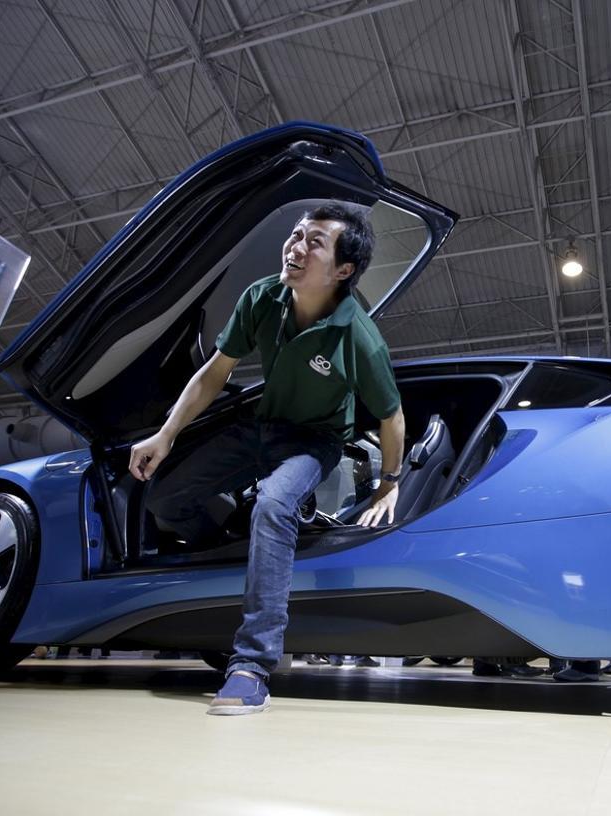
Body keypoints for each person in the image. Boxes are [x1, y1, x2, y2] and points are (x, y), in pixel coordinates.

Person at [129, 202, 406, 716]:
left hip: (314, 442)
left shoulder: (358, 337)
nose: (296, 246)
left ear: (343, 270)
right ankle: (241, 554)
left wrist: (389, 483)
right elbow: (214, 373)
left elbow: (391, 417)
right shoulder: (262, 297)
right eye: (297, 235)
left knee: (274, 506)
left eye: (314, 242)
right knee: (164, 499)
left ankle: (252, 667)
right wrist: (165, 435)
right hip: (257, 427)